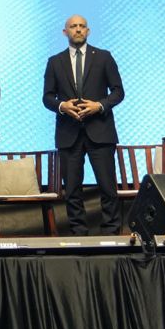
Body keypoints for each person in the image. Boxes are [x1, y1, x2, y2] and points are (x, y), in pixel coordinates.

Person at [42, 14, 125, 235]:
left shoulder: (104, 57)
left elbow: (118, 92)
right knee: (72, 190)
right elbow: (47, 97)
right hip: (68, 133)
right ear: (65, 32)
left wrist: (100, 105)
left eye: (82, 26)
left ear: (88, 31)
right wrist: (62, 106)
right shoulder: (55, 61)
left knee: (107, 186)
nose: (78, 29)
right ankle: (79, 233)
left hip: (101, 131)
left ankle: (111, 233)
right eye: (73, 26)